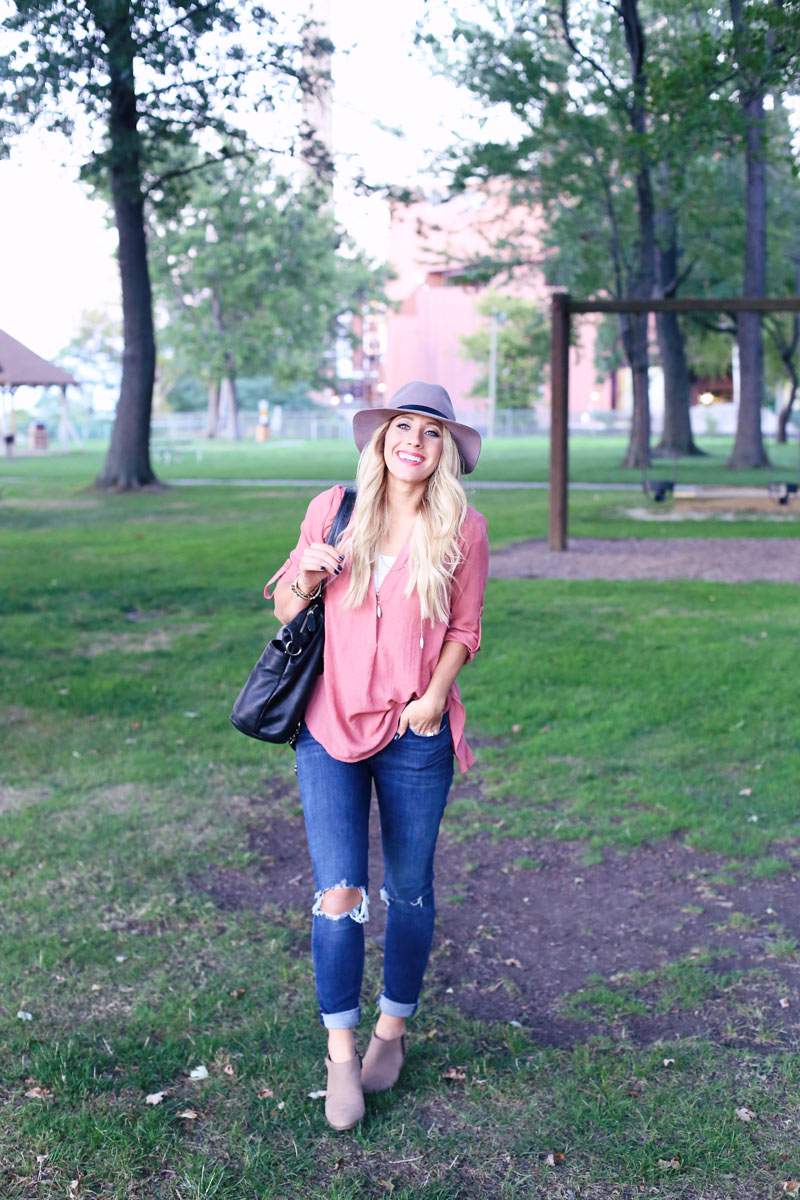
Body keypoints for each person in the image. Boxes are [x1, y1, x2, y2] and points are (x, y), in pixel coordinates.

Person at [265, 381, 489, 1131]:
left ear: (444, 450)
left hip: (414, 731)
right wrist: (308, 574)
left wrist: (433, 699)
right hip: (329, 725)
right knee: (338, 895)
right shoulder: (334, 509)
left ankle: (390, 1033)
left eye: (430, 432)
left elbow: (465, 628)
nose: (413, 443)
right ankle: (340, 1054)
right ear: (381, 438)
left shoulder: (465, 527)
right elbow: (287, 608)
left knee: (411, 891)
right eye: (402, 427)